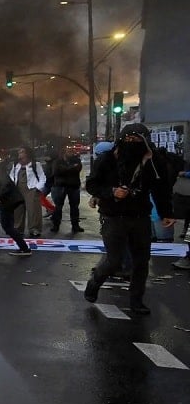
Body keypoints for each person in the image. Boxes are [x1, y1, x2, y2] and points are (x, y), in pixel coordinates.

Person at [82, 122, 177, 315]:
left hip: (140, 216)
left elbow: (161, 189)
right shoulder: (108, 159)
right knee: (114, 260)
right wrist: (111, 192)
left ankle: (136, 301)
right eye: (128, 139)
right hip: (113, 216)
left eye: (137, 140)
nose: (131, 143)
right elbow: (92, 184)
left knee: (141, 261)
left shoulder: (153, 161)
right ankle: (95, 282)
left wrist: (166, 213)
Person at [9, 148, 46, 237]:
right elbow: (11, 175)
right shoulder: (15, 165)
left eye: (22, 152)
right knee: (18, 210)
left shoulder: (35, 165)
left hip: (31, 189)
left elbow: (42, 177)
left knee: (33, 210)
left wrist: (37, 188)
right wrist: (12, 186)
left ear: (27, 154)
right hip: (18, 189)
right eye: (19, 152)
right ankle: (18, 229)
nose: (19, 154)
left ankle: (34, 229)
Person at [48, 147, 85, 234]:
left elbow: (78, 169)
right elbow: (57, 171)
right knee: (58, 207)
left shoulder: (77, 160)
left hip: (73, 186)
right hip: (60, 186)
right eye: (69, 151)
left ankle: (75, 225)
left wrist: (66, 169)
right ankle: (56, 225)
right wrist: (71, 168)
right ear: (64, 152)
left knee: (75, 207)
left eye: (72, 151)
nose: (71, 152)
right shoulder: (57, 161)